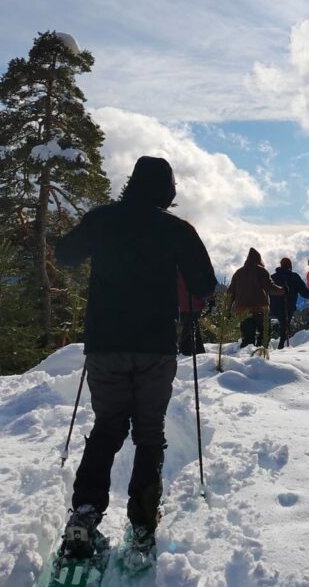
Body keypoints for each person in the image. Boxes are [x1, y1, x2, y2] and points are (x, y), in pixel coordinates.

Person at [55, 156, 216, 564]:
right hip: (155, 347)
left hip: (105, 344)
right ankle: (143, 524)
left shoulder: (102, 219)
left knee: (108, 426)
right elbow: (204, 284)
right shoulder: (176, 229)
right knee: (148, 432)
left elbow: (65, 255)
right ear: (167, 190)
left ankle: (84, 514)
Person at [228, 248, 284, 348]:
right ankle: (260, 353)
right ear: (258, 259)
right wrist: (283, 290)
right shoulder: (261, 271)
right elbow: (270, 287)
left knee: (247, 339)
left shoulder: (238, 273)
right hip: (260, 309)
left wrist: (227, 311)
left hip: (243, 311)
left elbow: (230, 293)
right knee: (265, 334)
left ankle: (246, 355)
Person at [269, 257, 309, 348]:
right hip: (288, 308)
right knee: (285, 331)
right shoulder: (294, 277)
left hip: (273, 309)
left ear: (281, 265)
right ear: (290, 266)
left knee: (279, 329)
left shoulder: (272, 277)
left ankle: (267, 347)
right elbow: (305, 293)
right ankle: (282, 349)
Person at [178, 273, 212, 356]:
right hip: (196, 303)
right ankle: (195, 351)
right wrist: (211, 299)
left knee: (189, 327)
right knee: (192, 327)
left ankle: (188, 352)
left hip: (183, 304)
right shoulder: (198, 267)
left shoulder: (177, 268)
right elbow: (208, 283)